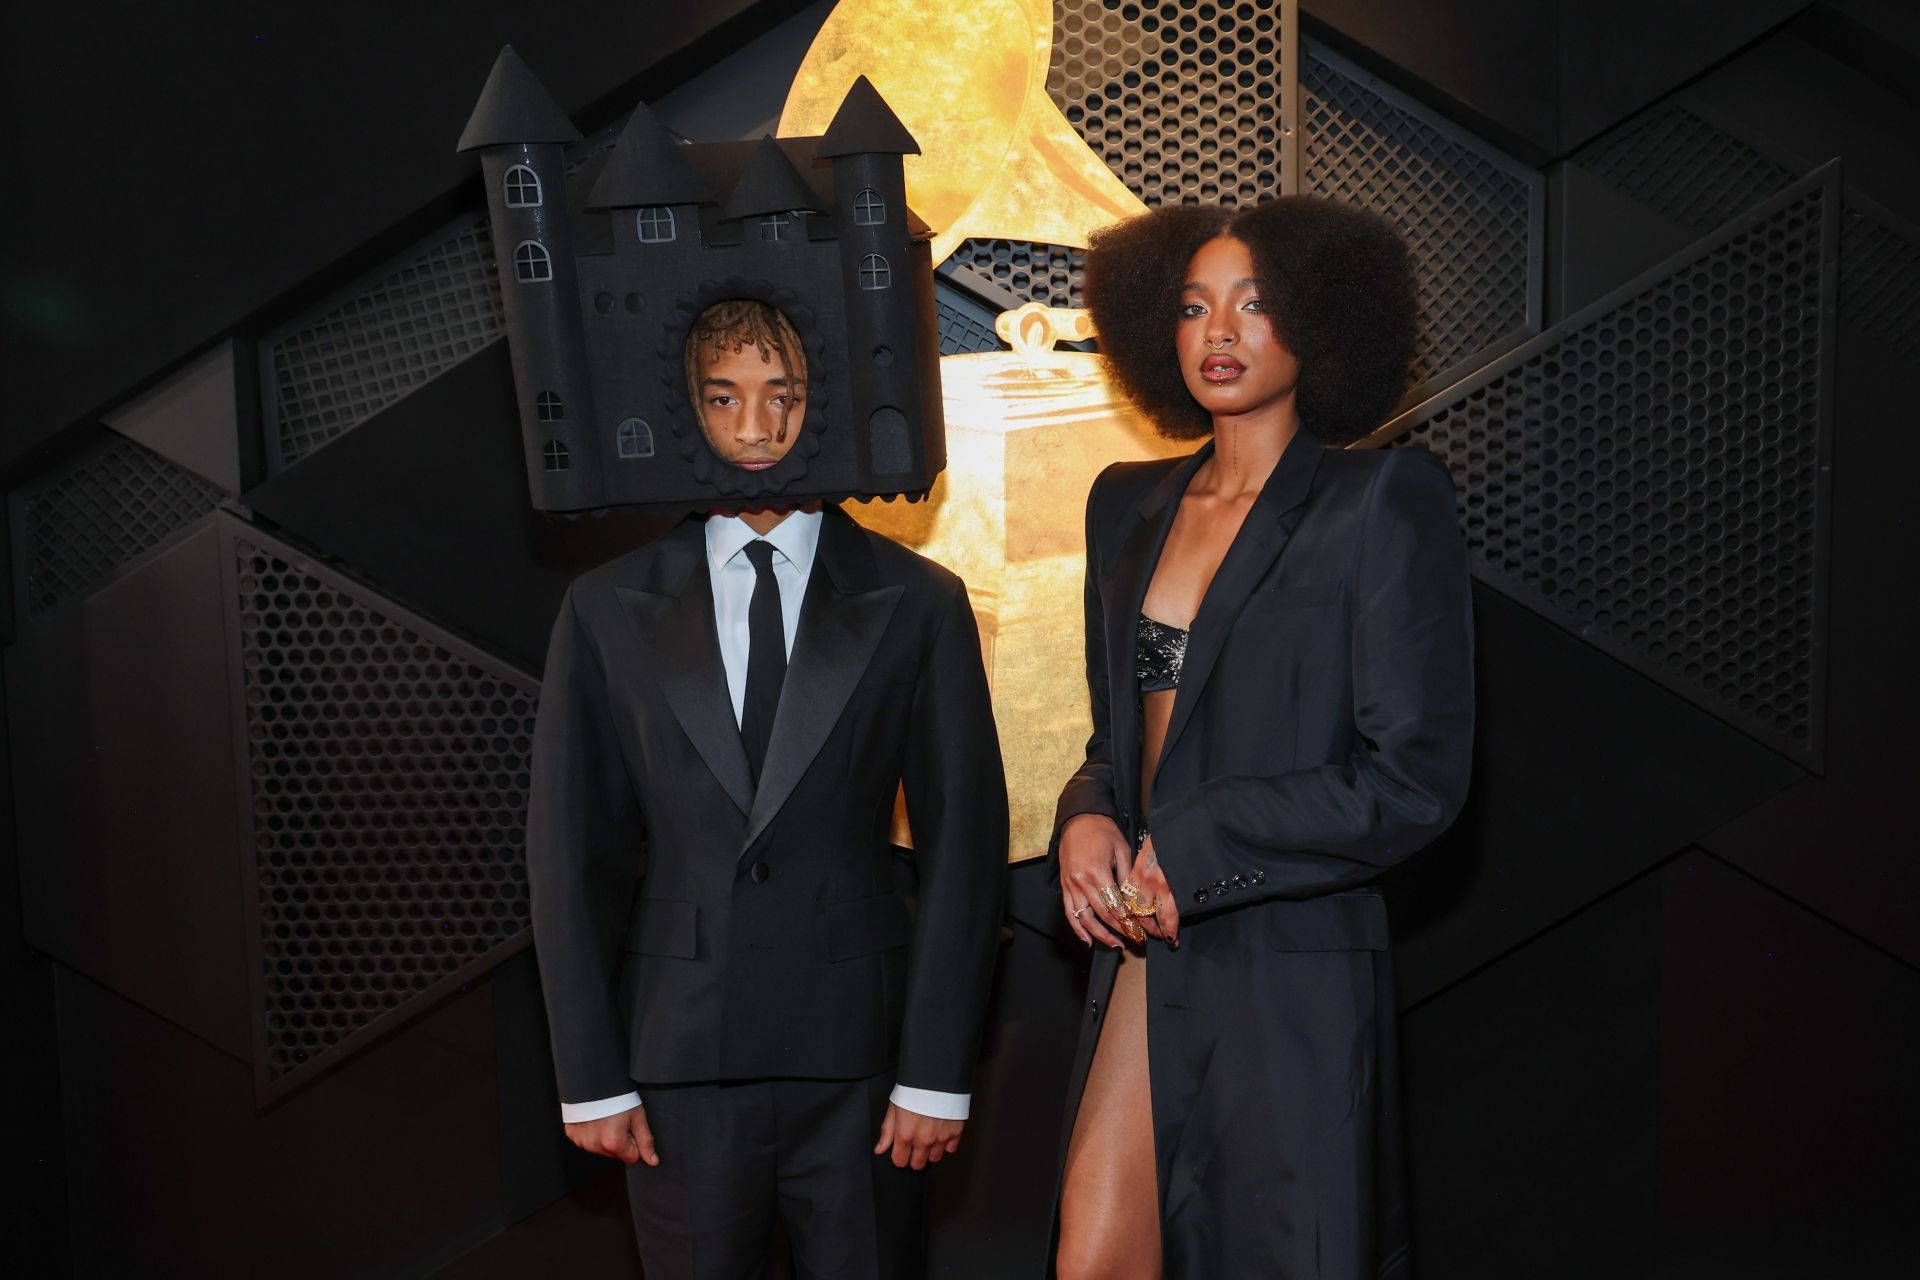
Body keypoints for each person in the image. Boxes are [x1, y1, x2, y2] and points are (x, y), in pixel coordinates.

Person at [529, 298, 1009, 1280]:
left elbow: (965, 846)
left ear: (821, 404)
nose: (755, 428)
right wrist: (589, 1076)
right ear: (684, 409)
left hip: (868, 1068)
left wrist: (935, 1071)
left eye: (782, 396)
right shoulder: (605, 606)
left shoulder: (919, 600)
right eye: (724, 396)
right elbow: (571, 853)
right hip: (674, 1066)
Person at [1050, 198, 1475, 1279]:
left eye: (1256, 303)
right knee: (1093, 1255)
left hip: (1291, 968)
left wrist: (1199, 837)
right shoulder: (1126, 506)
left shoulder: (1381, 501)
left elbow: (1412, 780)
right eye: (1194, 307)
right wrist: (1088, 809)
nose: (1220, 332)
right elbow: (1129, 724)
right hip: (1150, 952)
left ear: (1322, 323)